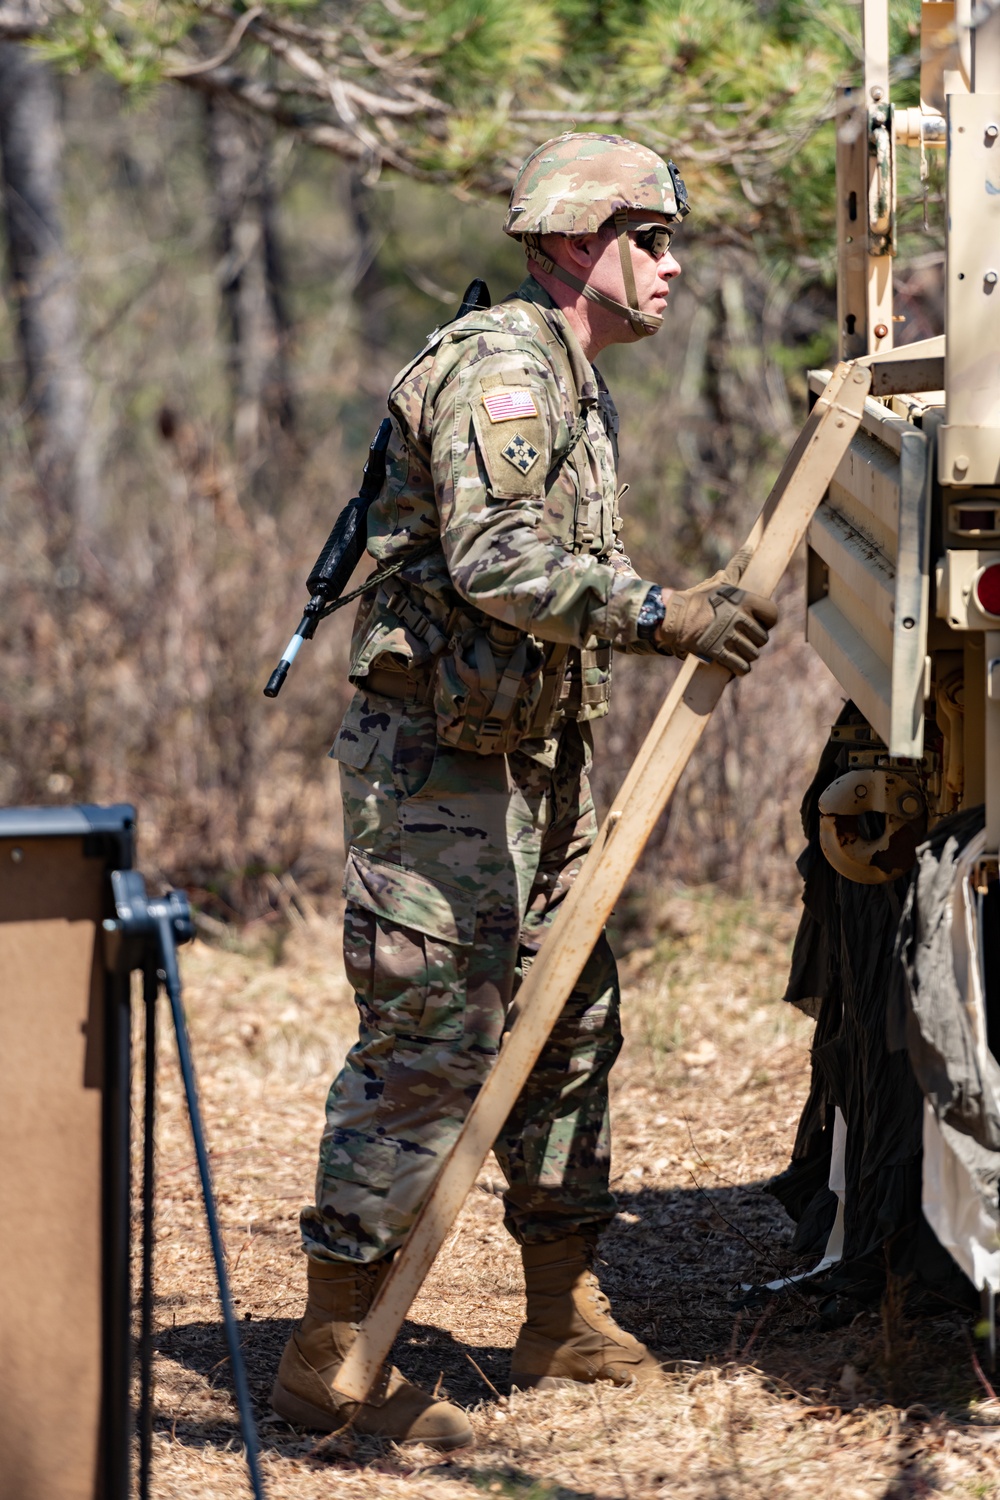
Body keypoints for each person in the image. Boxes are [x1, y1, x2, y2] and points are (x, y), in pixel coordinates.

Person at [272, 133, 779, 1449]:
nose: (672, 266)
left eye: (673, 242)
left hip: (536, 771)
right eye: (650, 238)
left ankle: (559, 1313)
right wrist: (663, 613)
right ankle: (331, 1354)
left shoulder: (569, 374)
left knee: (569, 1032)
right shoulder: (504, 370)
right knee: (429, 1050)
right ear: (572, 241)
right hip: (442, 777)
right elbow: (500, 560)